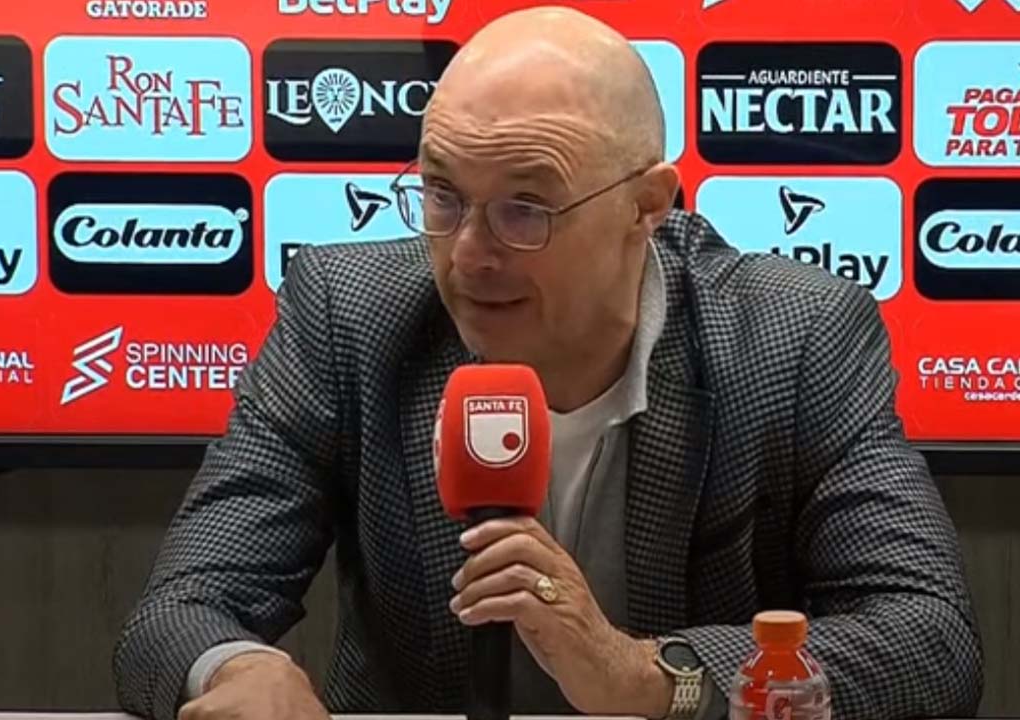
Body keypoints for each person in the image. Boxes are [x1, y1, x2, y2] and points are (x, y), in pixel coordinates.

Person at [112, 6, 984, 720]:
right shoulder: (350, 315)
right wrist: (235, 669)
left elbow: (929, 639)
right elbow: (180, 609)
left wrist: (646, 676)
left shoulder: (791, 335)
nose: (468, 255)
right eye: (443, 196)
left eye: (525, 209)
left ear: (646, 206)